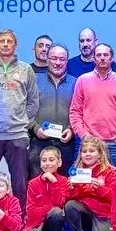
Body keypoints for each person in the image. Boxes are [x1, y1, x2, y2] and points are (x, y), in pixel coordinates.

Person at [0, 29, 39, 208]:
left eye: (9, 41)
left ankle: (20, 219)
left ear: (15, 45)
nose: (5, 44)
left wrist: (21, 122)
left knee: (19, 184)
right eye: (2, 41)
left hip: (17, 135)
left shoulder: (26, 69)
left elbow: (33, 101)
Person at [69, 43, 116, 167]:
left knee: (114, 178)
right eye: (99, 55)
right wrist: (83, 134)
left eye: (106, 55)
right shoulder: (82, 80)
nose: (102, 58)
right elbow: (75, 111)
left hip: (114, 143)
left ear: (112, 58)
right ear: (93, 58)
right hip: (88, 143)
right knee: (85, 179)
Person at [62, 138, 116, 231]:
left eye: (91, 151)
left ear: (100, 154)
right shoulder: (76, 172)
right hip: (86, 211)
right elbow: (68, 199)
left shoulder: (110, 172)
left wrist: (100, 189)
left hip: (103, 214)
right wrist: (71, 188)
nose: (87, 154)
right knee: (71, 205)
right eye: (84, 151)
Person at [29, 44, 76, 178]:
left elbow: (81, 111)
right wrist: (35, 128)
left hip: (66, 142)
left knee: (65, 184)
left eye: (62, 59)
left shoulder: (76, 83)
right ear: (47, 59)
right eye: (54, 58)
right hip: (39, 141)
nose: (58, 62)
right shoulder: (34, 81)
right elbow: (24, 109)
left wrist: (71, 129)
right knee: (37, 182)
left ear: (67, 61)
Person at [22, 147, 68, 231]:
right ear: (40, 163)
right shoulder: (33, 183)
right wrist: (50, 207)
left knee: (56, 212)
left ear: (59, 162)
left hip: (53, 221)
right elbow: (31, 212)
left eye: (51, 160)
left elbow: (60, 204)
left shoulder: (63, 181)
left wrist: (54, 182)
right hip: (35, 224)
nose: (47, 163)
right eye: (44, 160)